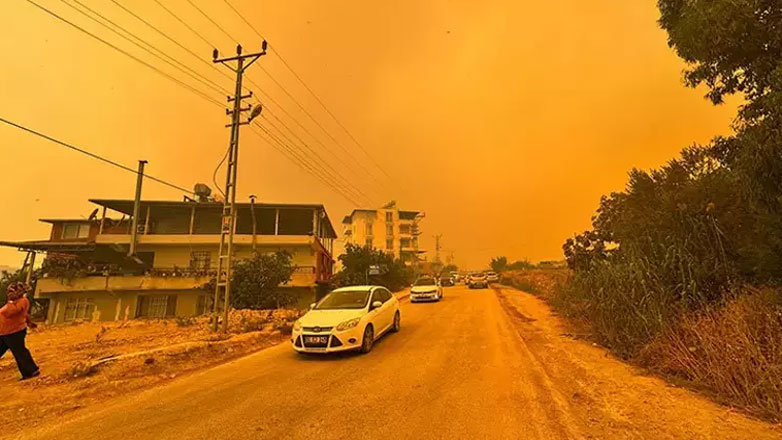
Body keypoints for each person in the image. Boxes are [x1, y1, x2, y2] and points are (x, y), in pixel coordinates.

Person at [1, 282, 40, 380]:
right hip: (5, 333)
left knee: (20, 352)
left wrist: (10, 302)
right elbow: (25, 315)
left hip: (14, 332)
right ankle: (29, 371)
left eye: (12, 292)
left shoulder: (22, 301)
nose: (9, 294)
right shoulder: (14, 302)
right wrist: (29, 322)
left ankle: (31, 371)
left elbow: (13, 312)